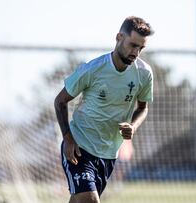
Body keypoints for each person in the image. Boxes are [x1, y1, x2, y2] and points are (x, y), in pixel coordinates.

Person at [54, 16, 154, 203]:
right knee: (90, 200)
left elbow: (143, 108)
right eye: (133, 45)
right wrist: (68, 139)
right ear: (119, 38)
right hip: (79, 146)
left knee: (79, 200)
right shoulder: (93, 69)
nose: (136, 52)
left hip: (108, 153)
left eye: (141, 48)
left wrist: (133, 125)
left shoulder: (144, 73)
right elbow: (60, 101)